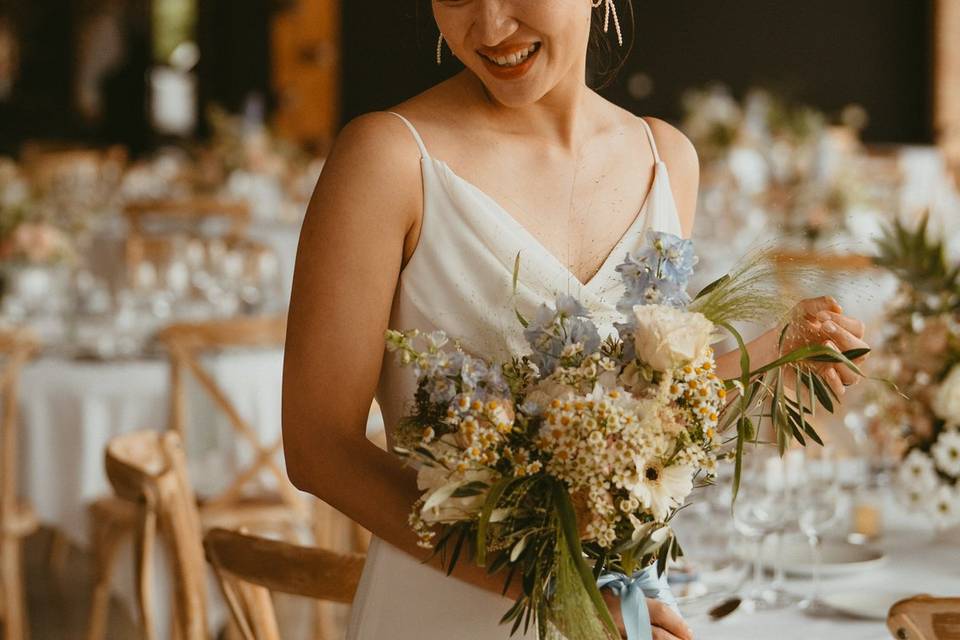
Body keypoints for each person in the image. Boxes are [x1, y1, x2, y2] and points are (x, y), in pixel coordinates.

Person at [282, 2, 869, 638]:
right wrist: (559, 593)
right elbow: (319, 448)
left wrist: (764, 360)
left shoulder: (666, 158)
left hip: (626, 613)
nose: (489, 27)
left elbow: (642, 410)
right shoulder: (388, 157)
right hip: (445, 615)